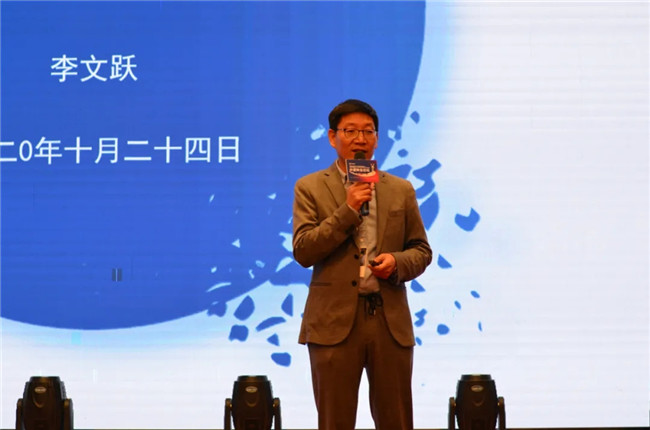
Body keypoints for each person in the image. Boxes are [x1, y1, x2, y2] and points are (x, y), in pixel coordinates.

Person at [292, 99, 432, 430]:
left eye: (368, 132)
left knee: (396, 420)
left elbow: (421, 250)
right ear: (332, 137)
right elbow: (304, 251)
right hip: (333, 323)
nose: (360, 139)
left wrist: (396, 262)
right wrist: (349, 210)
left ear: (377, 139)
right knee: (335, 421)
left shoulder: (400, 189)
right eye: (351, 131)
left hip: (388, 320)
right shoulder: (309, 187)